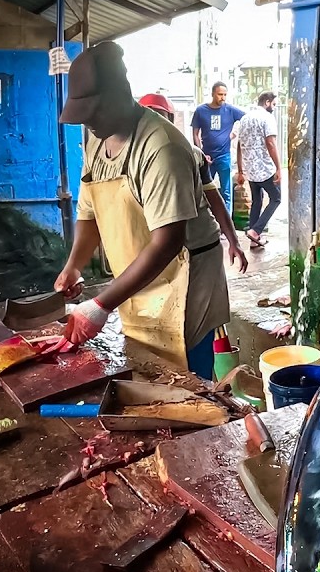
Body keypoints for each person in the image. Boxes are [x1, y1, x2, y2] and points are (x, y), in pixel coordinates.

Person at [51, 42, 231, 380]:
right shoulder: (96, 138)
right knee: (150, 370)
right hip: (139, 277)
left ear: (121, 94)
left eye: (94, 113)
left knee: (190, 381)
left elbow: (166, 243)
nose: (89, 124)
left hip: (185, 280)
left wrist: (100, 305)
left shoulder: (161, 148)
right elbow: (89, 208)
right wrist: (73, 265)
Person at [138, 92, 249, 271]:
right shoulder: (133, 159)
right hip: (160, 255)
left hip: (200, 248)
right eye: (148, 115)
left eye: (159, 115)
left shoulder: (193, 154)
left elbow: (214, 198)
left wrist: (233, 241)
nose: (154, 122)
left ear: (170, 120)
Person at [234, 92, 282, 247]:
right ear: (267, 102)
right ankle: (256, 231)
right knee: (276, 198)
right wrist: (278, 167)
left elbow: (239, 146)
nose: (274, 108)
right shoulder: (267, 118)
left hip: (251, 169)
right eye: (274, 104)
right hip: (265, 168)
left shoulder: (244, 119)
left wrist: (241, 170)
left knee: (257, 201)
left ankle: (254, 240)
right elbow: (271, 143)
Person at [190, 81, 244, 208]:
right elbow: (195, 134)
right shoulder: (201, 111)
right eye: (220, 94)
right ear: (213, 94)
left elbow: (246, 119)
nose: (223, 98)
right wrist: (201, 154)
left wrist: (235, 132)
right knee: (203, 190)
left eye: (225, 95)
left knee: (226, 192)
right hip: (207, 157)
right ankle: (206, 221)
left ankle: (227, 225)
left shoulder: (230, 110)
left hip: (224, 156)